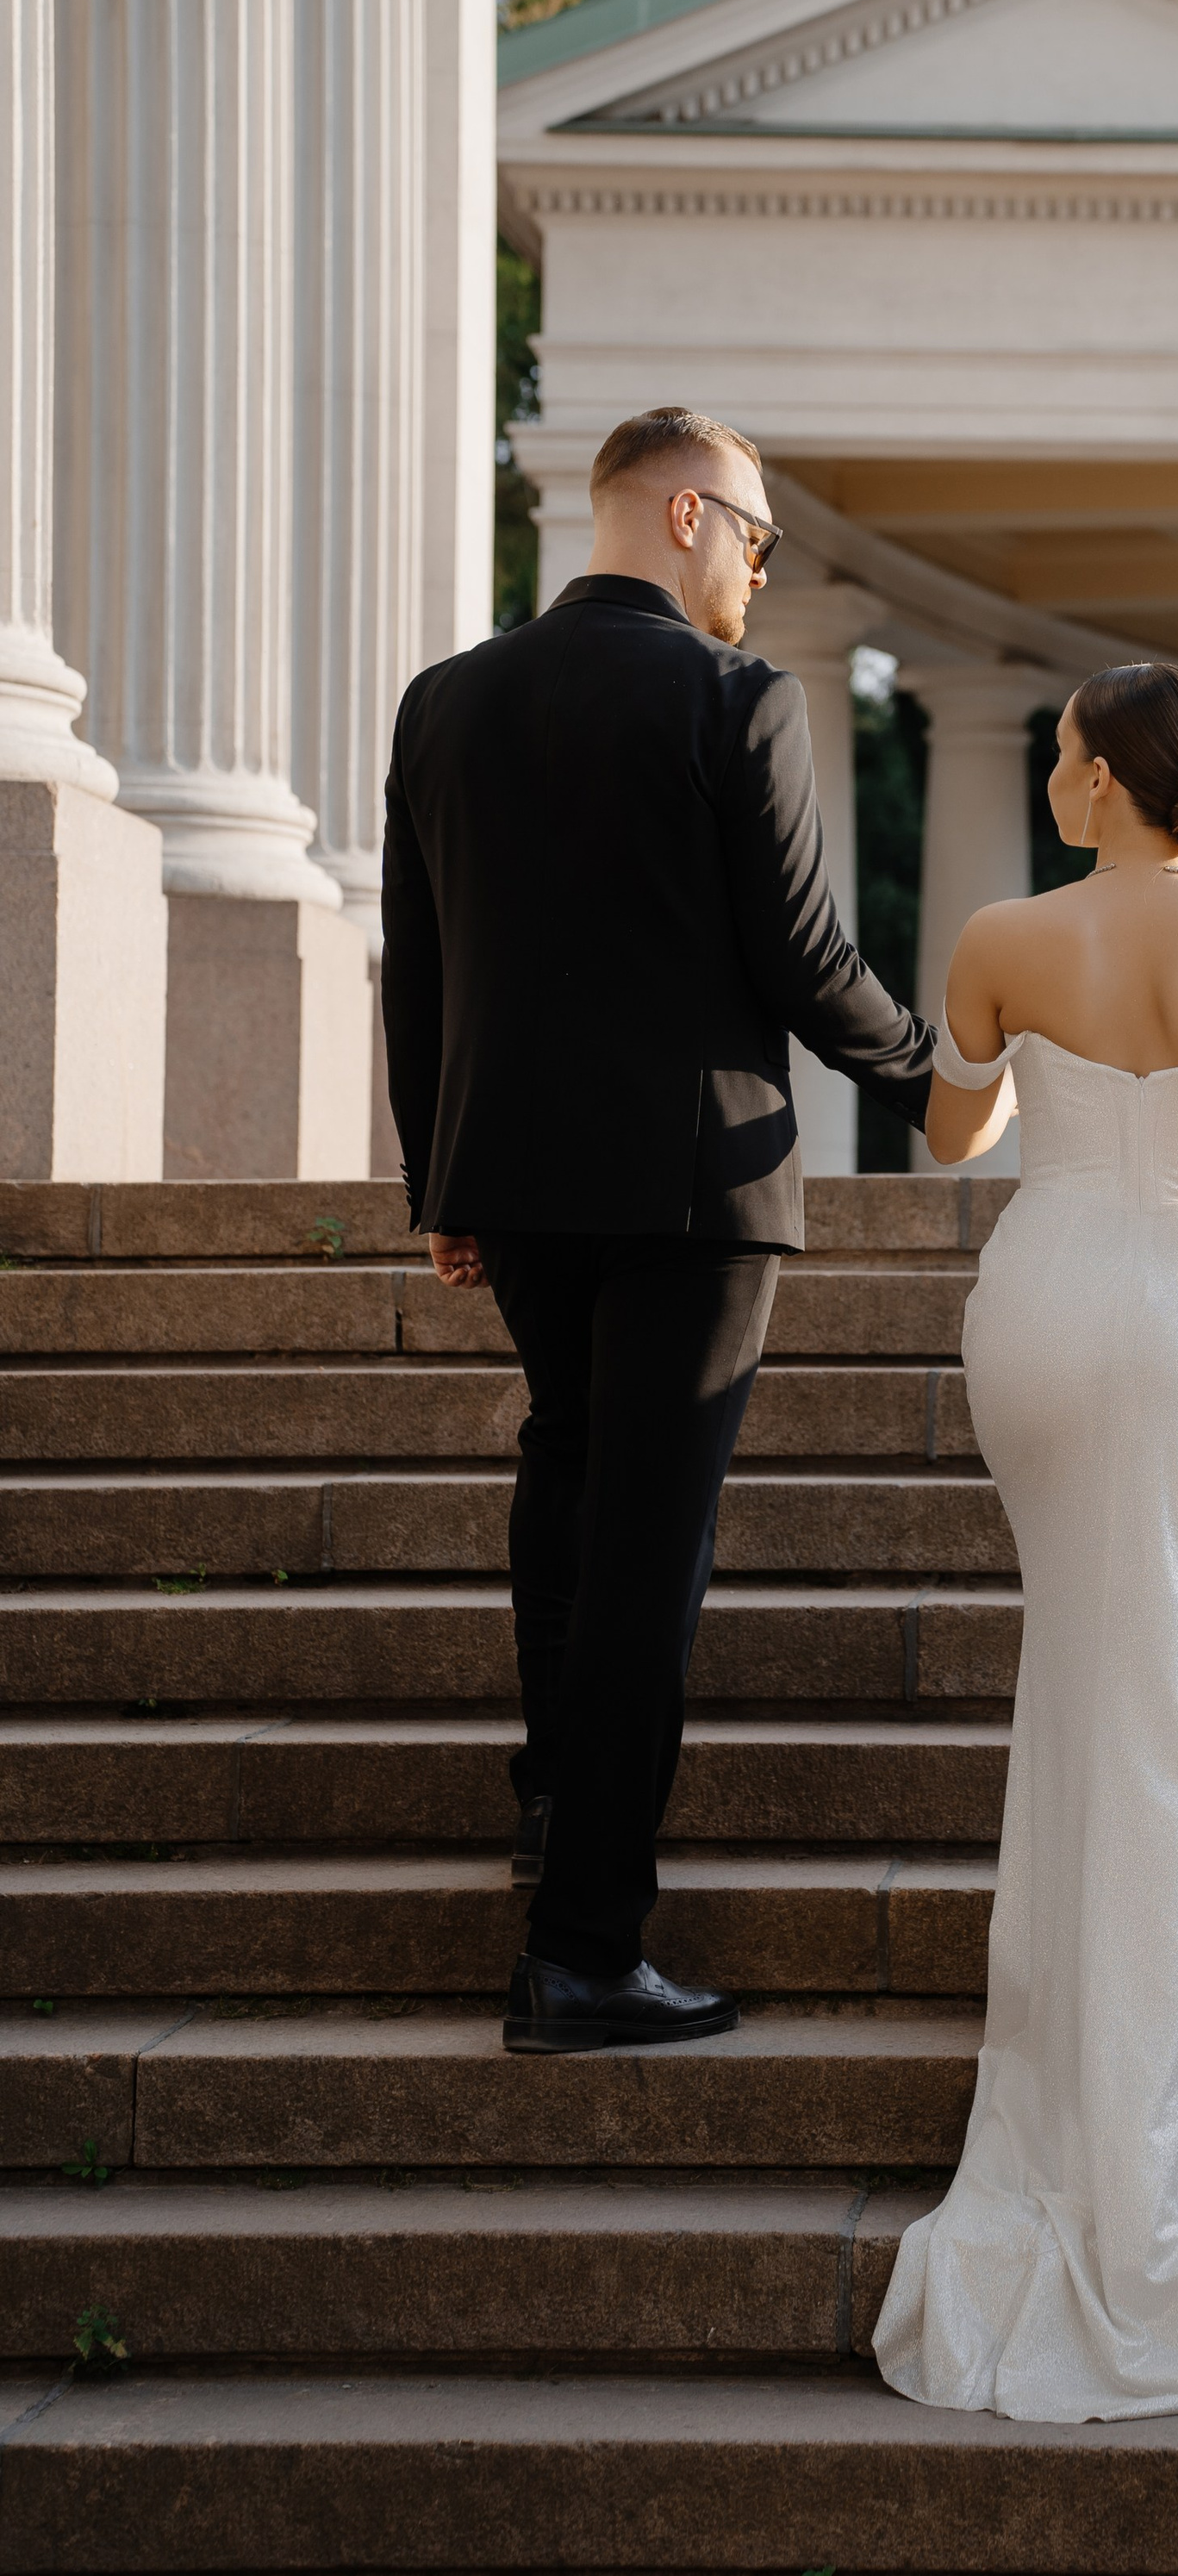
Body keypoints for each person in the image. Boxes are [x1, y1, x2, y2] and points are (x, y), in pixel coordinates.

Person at [379, 407, 935, 2056]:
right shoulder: (733, 698)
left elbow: (419, 964)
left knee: (564, 1469)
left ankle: (555, 1797)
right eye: (756, 538)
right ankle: (585, 1949)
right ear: (688, 513)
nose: (763, 571)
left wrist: (441, 1177)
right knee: (647, 1551)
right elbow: (800, 951)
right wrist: (930, 1081)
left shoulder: (443, 700)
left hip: (515, 1176)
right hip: (696, 1182)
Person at [870, 659, 1178, 2423]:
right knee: (1158, 1730)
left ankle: (1054, 2106)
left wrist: (1006, 1077)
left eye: (1065, 754)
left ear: (1095, 777)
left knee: (1077, 1699)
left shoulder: (995, 934)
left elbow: (952, 1136)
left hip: (1042, 1307)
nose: (1057, 774)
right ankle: (1132, 2168)